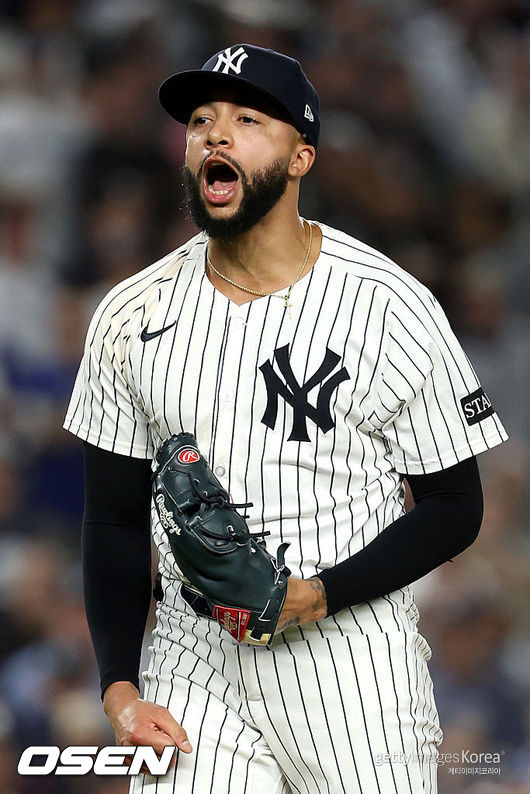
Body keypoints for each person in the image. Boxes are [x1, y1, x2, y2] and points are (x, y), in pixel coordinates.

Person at [64, 44, 508, 794]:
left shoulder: (387, 304)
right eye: (200, 119)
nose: (214, 134)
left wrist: (319, 593)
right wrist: (118, 684)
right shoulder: (129, 314)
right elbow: (111, 521)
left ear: (301, 156)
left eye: (246, 118)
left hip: (349, 659)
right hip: (191, 656)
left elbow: (455, 507)